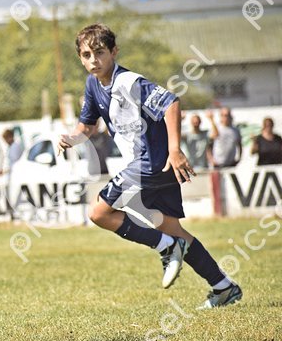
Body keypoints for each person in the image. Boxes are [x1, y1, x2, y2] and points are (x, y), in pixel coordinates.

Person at [58, 23, 242, 309]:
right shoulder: (93, 85)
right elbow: (87, 125)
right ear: (80, 58)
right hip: (154, 166)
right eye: (86, 55)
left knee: (99, 213)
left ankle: (166, 247)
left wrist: (174, 149)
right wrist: (72, 138)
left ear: (114, 52)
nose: (94, 60)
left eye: (100, 52)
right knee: (172, 228)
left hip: (150, 162)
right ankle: (223, 286)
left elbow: (171, 103)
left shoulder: (128, 82)